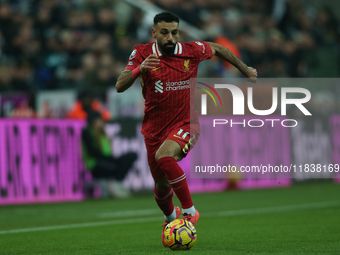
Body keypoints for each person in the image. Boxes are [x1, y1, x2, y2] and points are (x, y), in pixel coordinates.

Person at [115, 12, 257, 245]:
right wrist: (139, 69)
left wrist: (244, 69)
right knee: (161, 186)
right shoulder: (141, 53)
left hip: (186, 123)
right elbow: (120, 85)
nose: (170, 37)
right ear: (154, 33)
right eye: (164, 32)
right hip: (153, 129)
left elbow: (218, 48)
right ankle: (171, 218)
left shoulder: (191, 50)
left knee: (164, 156)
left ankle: (190, 211)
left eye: (174, 32)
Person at [81, 110, 137, 198]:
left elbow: (107, 151)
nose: (102, 122)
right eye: (99, 120)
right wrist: (111, 159)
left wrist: (112, 159)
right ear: (94, 121)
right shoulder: (87, 132)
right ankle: (116, 186)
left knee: (131, 156)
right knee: (117, 166)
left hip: (107, 160)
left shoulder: (103, 133)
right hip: (96, 164)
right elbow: (93, 152)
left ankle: (118, 183)